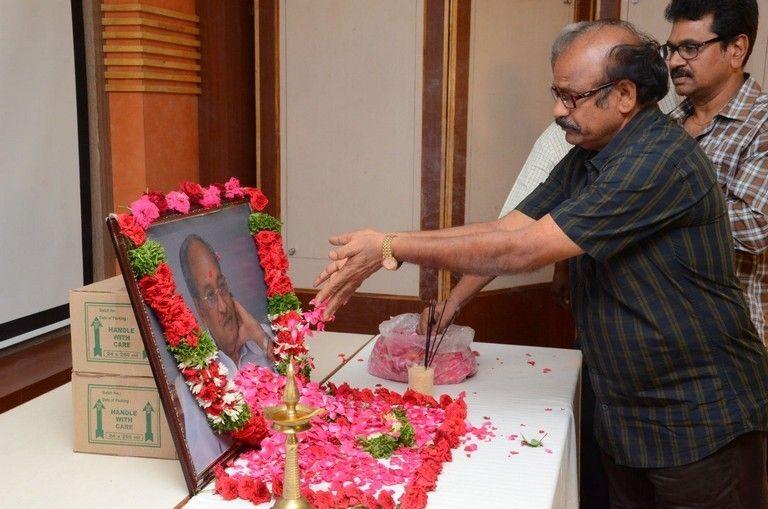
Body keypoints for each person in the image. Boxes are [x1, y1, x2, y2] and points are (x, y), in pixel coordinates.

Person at [315, 19, 768, 508]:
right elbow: (508, 229)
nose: (558, 111)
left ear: (623, 95)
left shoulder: (656, 158)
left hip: (699, 416)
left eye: (571, 97)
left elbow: (521, 251)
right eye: (558, 93)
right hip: (629, 412)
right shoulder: (590, 153)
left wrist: (390, 247)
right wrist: (422, 275)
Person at [663, 0, 768, 344]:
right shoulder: (669, 124)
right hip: (662, 336)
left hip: (727, 344)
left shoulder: (761, 122)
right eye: (672, 48)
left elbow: (755, 226)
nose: (674, 61)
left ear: (736, 49)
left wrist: (650, 209)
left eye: (690, 48)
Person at [173, 234, 275, 472]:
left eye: (222, 287)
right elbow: (208, 468)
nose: (222, 306)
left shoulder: (267, 340)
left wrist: (262, 340)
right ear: (199, 308)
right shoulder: (194, 382)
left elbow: (304, 398)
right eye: (209, 295)